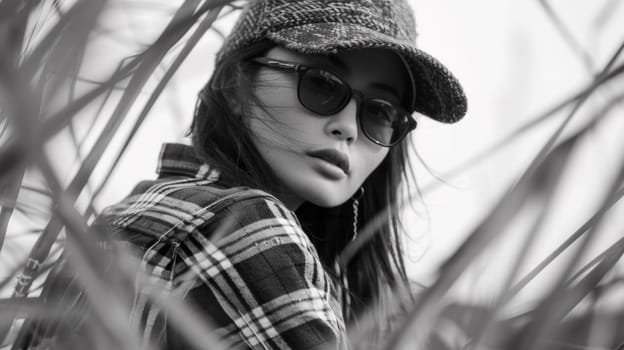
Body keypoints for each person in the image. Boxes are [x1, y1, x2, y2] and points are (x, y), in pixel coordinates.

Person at [16, 0, 466, 349]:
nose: (348, 127)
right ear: (236, 86)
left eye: (381, 113)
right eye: (322, 84)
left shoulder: (130, 215)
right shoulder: (242, 224)